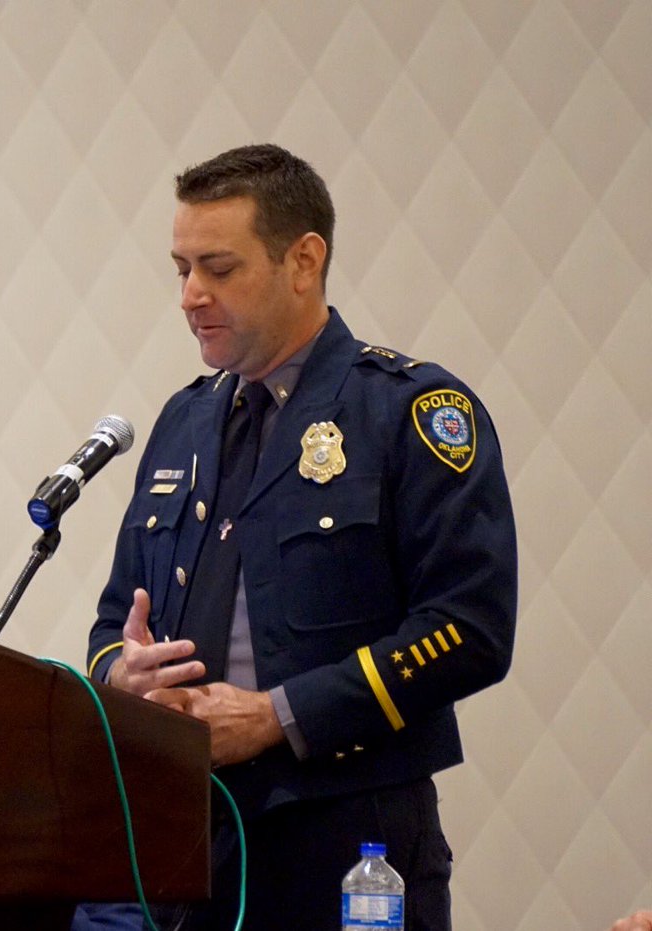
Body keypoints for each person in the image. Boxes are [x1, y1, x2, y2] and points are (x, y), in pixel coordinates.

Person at [84, 144, 518, 930]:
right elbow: (112, 623)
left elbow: (471, 628)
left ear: (303, 261)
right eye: (180, 267)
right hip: (192, 841)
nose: (190, 295)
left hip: (351, 838)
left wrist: (276, 714)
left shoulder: (408, 412)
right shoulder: (184, 423)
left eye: (218, 267)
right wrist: (127, 678)